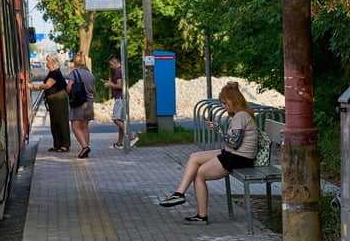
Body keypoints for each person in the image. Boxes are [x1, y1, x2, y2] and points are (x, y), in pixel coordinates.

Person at [159, 81, 259, 224]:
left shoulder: (240, 116)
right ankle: (179, 194)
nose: (224, 107)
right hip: (234, 154)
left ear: (233, 101)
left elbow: (234, 143)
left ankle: (202, 216)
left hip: (239, 157)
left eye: (225, 103)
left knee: (199, 174)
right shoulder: (240, 115)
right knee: (194, 157)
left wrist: (218, 130)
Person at [28, 53, 71, 152]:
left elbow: (47, 85)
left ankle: (64, 144)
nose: (46, 62)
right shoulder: (52, 72)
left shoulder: (55, 73)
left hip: (59, 98)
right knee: (54, 122)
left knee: (61, 121)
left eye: (47, 60)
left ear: (52, 62)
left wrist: (32, 86)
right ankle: (57, 144)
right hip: (53, 99)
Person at [102, 55, 138, 149]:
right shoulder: (122, 69)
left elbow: (119, 85)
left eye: (111, 64)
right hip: (124, 97)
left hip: (120, 97)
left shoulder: (118, 71)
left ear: (114, 62)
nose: (111, 67)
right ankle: (119, 143)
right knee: (121, 119)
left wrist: (109, 85)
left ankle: (131, 136)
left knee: (116, 119)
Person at [66, 52, 96, 158]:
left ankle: (84, 147)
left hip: (79, 103)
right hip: (89, 103)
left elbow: (69, 88)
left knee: (75, 126)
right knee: (84, 127)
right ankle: (85, 148)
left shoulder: (74, 73)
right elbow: (93, 89)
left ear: (75, 62)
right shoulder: (90, 74)